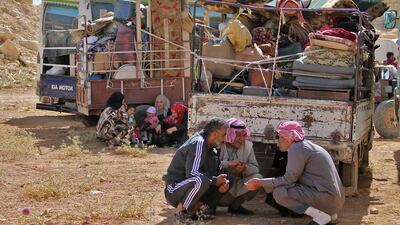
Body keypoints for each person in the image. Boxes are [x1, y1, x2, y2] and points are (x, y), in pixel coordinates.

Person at [245, 121, 345, 225]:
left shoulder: (297, 149)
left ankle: (320, 216)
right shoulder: (305, 146)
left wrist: (260, 183)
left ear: (290, 138)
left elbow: (289, 179)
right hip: (334, 200)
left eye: (281, 137)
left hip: (329, 199)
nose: (278, 141)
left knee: (280, 193)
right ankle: (328, 214)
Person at [163, 118, 230, 223]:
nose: (225, 139)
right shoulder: (198, 143)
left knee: (228, 179)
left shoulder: (212, 148)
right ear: (215, 134)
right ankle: (181, 212)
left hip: (191, 187)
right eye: (224, 135)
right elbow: (192, 173)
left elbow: (213, 173)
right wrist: (215, 181)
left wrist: (222, 183)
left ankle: (196, 211)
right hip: (175, 190)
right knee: (201, 180)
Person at [218, 118, 262, 215]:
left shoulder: (248, 146)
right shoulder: (220, 145)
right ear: (229, 134)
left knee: (258, 179)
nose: (241, 139)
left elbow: (256, 168)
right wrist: (228, 164)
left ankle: (235, 206)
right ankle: (210, 206)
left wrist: (245, 168)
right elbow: (213, 166)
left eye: (243, 135)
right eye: (237, 135)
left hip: (237, 186)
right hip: (220, 189)